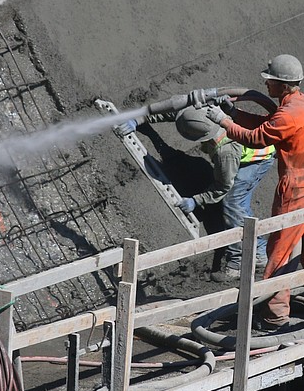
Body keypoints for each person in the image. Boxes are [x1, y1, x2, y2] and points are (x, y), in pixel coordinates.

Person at [206, 54, 304, 331]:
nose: (266, 85)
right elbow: (268, 123)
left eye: (270, 81)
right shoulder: (300, 105)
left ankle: (274, 316)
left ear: (283, 84)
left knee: (280, 249)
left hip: (296, 187)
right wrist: (234, 113)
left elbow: (257, 138)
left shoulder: (290, 113)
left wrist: (223, 122)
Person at [114, 107, 276, 281]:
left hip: (258, 158)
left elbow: (222, 188)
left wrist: (196, 200)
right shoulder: (201, 113)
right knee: (227, 194)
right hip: (241, 148)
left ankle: (241, 259)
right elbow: (173, 112)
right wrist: (138, 121)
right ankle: (256, 250)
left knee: (232, 202)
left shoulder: (226, 152)